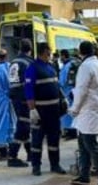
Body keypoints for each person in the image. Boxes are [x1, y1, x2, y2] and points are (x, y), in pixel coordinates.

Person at [69, 41, 98, 185]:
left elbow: (81, 90)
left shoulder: (85, 67)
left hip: (87, 109)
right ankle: (84, 175)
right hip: (91, 109)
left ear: (81, 52)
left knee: (91, 144)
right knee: (83, 144)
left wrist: (74, 108)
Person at [25, 42, 67, 176]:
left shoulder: (51, 67)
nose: (50, 54)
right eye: (49, 52)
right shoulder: (32, 68)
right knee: (37, 139)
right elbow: (29, 90)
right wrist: (32, 110)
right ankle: (36, 166)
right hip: (40, 111)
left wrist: (63, 98)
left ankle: (55, 164)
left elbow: (56, 85)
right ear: (44, 52)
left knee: (54, 139)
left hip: (53, 111)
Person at [7, 39, 35, 167]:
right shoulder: (29, 63)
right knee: (23, 125)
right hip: (25, 97)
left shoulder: (13, 62)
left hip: (14, 96)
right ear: (30, 49)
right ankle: (12, 155)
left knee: (24, 124)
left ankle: (30, 153)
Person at [58, 49, 78, 139]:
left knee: (67, 112)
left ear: (63, 56)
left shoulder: (66, 66)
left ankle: (70, 132)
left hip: (66, 92)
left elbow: (62, 81)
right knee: (72, 112)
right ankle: (72, 131)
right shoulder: (74, 64)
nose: (60, 58)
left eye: (60, 56)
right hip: (74, 91)